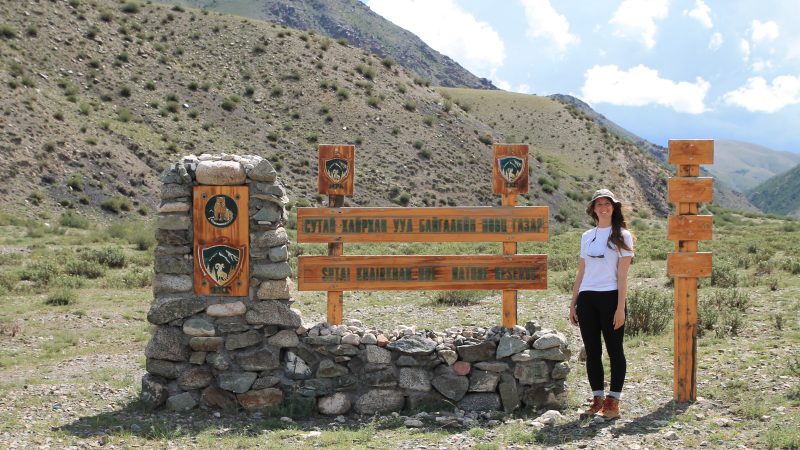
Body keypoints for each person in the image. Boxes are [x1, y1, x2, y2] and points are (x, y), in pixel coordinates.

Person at [569, 188, 635, 420]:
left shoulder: (623, 236)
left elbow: (623, 276)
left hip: (611, 297)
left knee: (615, 351)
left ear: (613, 207)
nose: (603, 207)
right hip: (587, 299)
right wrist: (573, 302)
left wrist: (620, 308)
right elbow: (581, 270)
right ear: (593, 209)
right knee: (592, 351)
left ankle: (613, 402)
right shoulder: (587, 236)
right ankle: (597, 399)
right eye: (599, 204)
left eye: (607, 203)